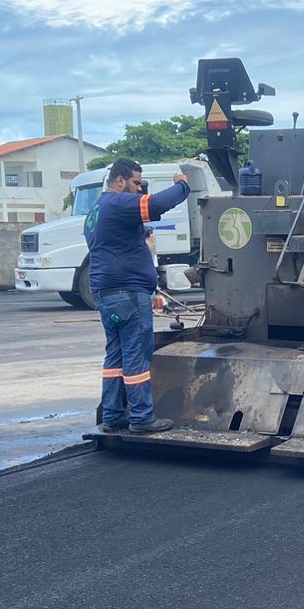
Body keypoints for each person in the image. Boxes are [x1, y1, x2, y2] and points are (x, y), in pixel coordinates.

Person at [83, 159, 191, 433]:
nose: (140, 189)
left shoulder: (95, 212)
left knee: (115, 357)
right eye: (136, 183)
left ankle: (112, 415)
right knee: (136, 356)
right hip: (128, 294)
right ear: (120, 181)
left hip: (107, 295)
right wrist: (182, 185)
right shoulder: (117, 203)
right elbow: (155, 204)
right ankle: (142, 417)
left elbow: (116, 241)